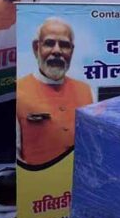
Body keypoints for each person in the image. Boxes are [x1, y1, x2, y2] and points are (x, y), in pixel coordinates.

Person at [16, 18, 93, 165]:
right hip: (37, 178)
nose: (57, 51)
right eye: (49, 43)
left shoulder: (86, 90)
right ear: (36, 48)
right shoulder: (17, 92)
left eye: (64, 45)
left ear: (72, 51)